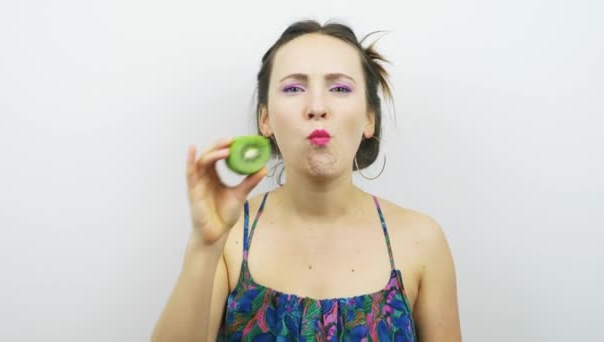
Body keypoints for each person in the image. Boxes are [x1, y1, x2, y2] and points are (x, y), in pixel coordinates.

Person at [152, 19, 461, 342]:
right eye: (293, 88)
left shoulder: (422, 241)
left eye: (340, 88)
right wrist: (206, 246)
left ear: (369, 118)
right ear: (266, 119)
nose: (316, 107)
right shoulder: (228, 238)